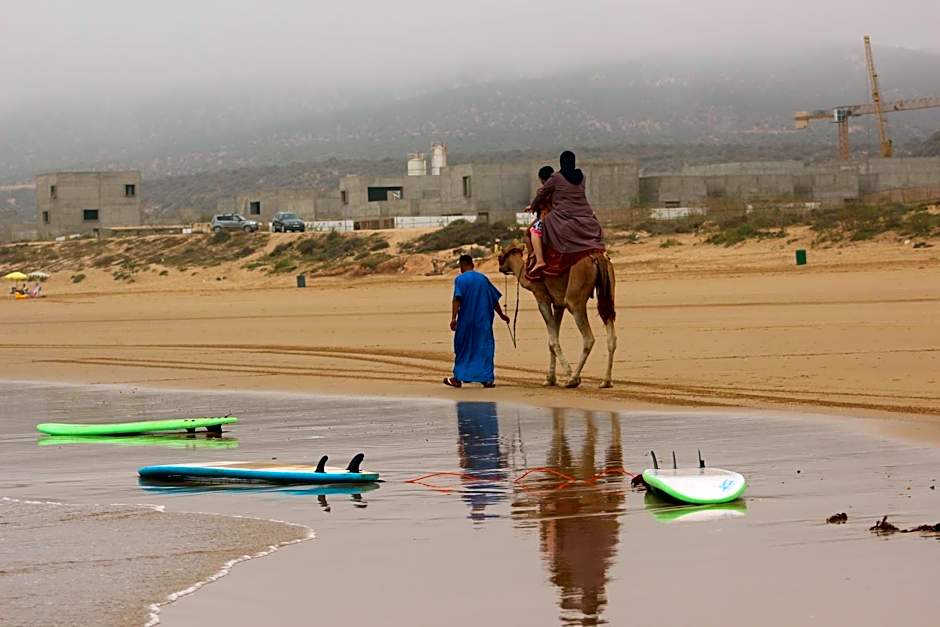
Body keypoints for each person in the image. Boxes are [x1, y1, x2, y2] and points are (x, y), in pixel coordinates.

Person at [444, 254, 510, 388]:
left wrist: (453, 318)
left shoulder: (460, 279)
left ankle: (458, 378)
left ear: (461, 266)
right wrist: (502, 315)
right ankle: (487, 379)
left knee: (463, 347)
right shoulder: (483, 279)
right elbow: (493, 300)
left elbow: (457, 299)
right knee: (484, 347)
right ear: (472, 265)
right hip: (483, 320)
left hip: (466, 321)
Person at [528, 151, 604, 254]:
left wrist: (533, 206)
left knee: (545, 223)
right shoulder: (582, 176)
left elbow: (542, 194)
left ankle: (542, 258)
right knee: (595, 221)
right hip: (584, 211)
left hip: (563, 213)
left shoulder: (556, 178)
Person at [527, 165, 555, 273]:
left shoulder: (543, 191)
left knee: (533, 231)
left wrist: (532, 207)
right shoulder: (560, 188)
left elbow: (539, 204)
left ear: (542, 180)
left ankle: (538, 259)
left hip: (547, 218)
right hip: (564, 215)